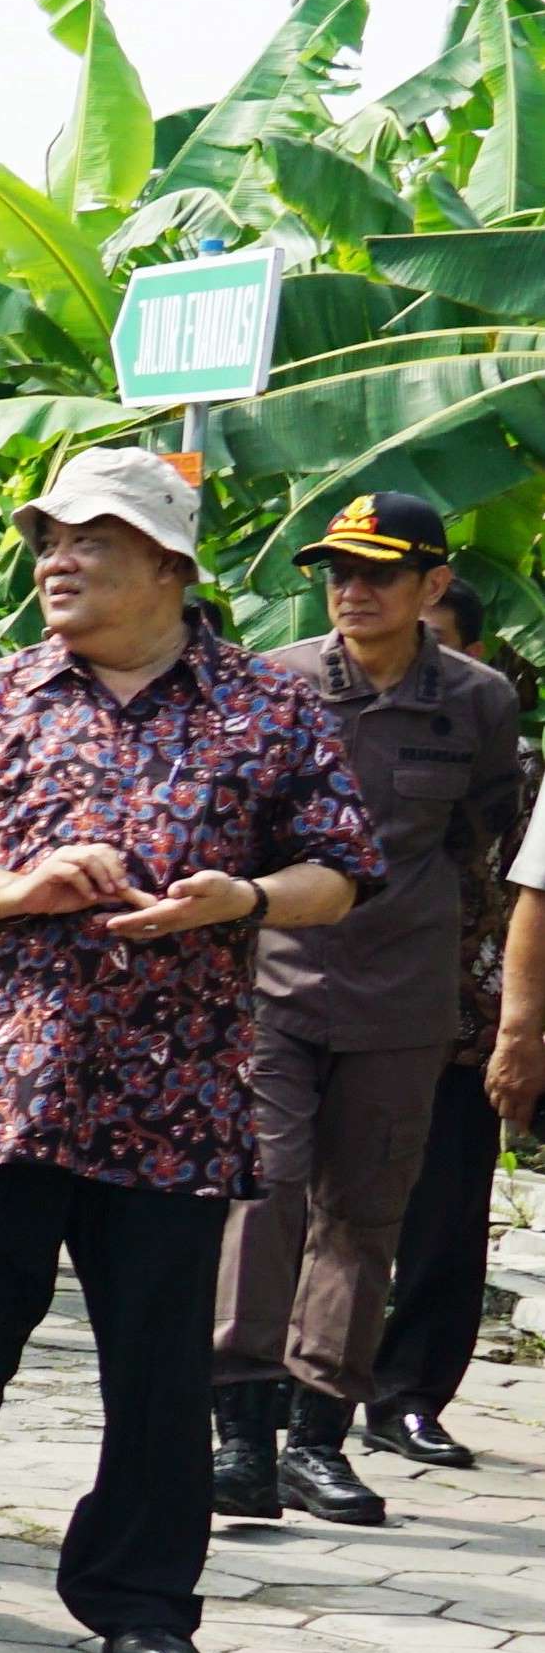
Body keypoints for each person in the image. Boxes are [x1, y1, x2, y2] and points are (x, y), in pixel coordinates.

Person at [0, 447, 378, 1653]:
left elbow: (342, 870)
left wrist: (240, 896)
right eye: (48, 541)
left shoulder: (269, 707)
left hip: (176, 1099)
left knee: (154, 1366)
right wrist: (16, 888)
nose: (58, 561)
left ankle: (142, 1598)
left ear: (171, 568)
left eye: (91, 540)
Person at [214, 495, 522, 1526]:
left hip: (404, 993)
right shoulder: (281, 682)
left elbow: (481, 832)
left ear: (433, 585)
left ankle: (318, 1437)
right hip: (280, 982)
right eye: (337, 570)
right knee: (266, 1192)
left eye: (378, 572)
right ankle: (239, 1434)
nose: (352, 589)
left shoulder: (479, 701)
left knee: (363, 1219)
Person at [374, 565, 518, 1466]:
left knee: (443, 1220)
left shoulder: (511, 766)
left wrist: (515, 1033)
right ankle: (278, 1391)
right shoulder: (319, 728)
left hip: (460, 1023)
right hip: (338, 1006)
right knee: (307, 1215)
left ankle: (408, 1395)